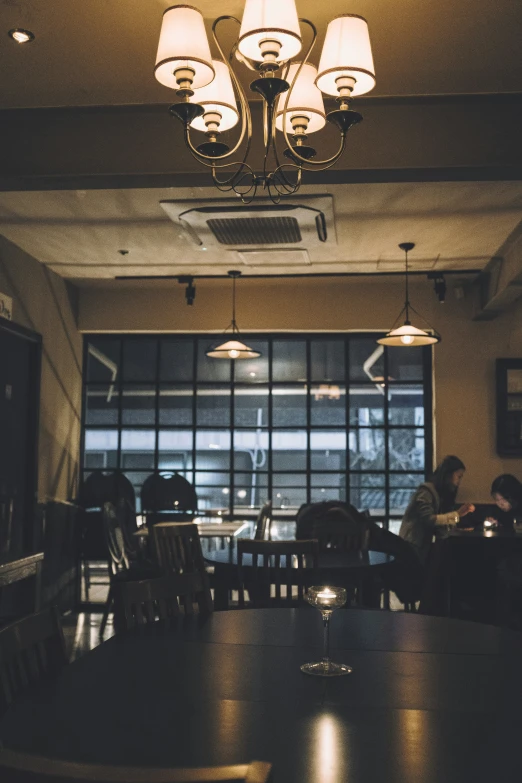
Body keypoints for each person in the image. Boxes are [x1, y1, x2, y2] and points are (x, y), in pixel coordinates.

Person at [399, 455, 475, 563]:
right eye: (459, 476)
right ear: (448, 474)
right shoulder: (426, 490)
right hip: (412, 545)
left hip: (420, 546)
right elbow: (428, 519)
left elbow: (437, 525)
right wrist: (457, 514)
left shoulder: (438, 493)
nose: (459, 481)